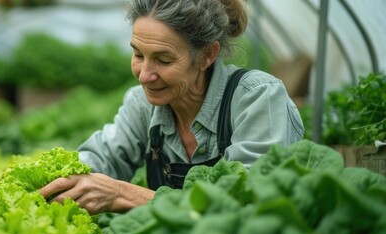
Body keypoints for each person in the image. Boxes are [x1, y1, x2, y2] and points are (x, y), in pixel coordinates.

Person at [39, 0, 304, 215]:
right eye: (138, 55)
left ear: (207, 56)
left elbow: (252, 204)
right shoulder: (142, 104)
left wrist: (124, 193)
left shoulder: (257, 99)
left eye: (163, 60)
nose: (144, 75)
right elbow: (103, 157)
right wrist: (54, 182)